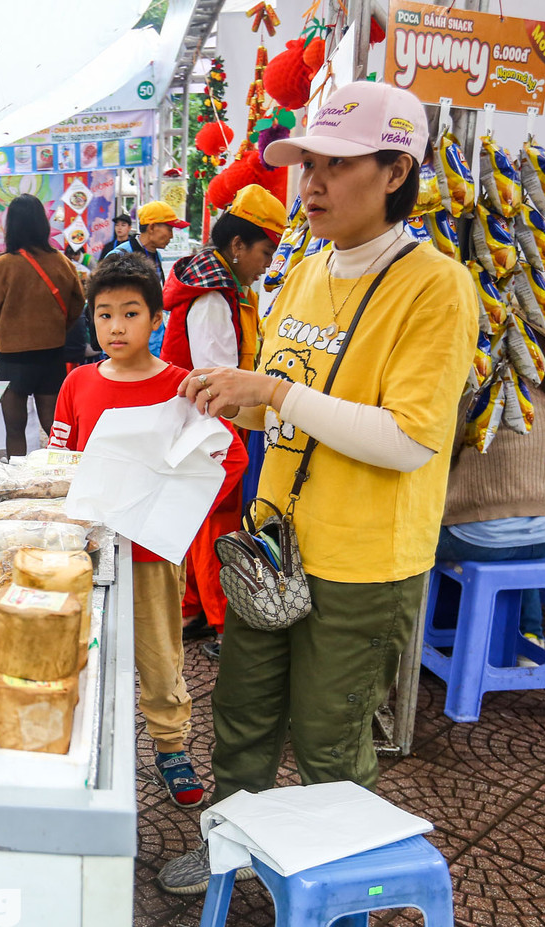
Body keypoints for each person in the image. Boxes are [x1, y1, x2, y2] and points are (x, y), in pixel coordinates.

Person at [158, 81, 477, 894]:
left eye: (336, 166)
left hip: (363, 559)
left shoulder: (435, 286)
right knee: (243, 718)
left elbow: (409, 438)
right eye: (307, 166)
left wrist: (271, 394)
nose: (312, 186)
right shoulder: (302, 269)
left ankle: (335, 891)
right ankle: (230, 851)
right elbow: (290, 402)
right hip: (273, 545)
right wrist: (228, 406)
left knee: (332, 743)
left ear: (396, 169)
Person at [49, 253, 246, 810]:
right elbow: (60, 460)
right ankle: (77, 741)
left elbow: (227, 456)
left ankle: (171, 744)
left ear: (156, 318)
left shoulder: (185, 386)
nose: (116, 326)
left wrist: (179, 514)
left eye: (131, 313)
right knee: (82, 648)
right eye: (104, 314)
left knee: (160, 653)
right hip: (87, 551)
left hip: (154, 553)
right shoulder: (78, 384)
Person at [160, 184, 286, 651]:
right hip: (208, 425)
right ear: (237, 246)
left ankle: (193, 608)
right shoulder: (213, 299)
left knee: (201, 518)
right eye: (265, 252)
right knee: (217, 521)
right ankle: (221, 623)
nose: (267, 264)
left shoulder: (217, 288)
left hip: (195, 423)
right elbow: (219, 382)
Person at [438, 320, 545, 664]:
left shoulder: (481, 392)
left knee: (410, 542)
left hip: (477, 535)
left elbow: (440, 451)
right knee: (520, 545)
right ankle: (532, 635)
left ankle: (415, 642)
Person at [0, 193, 85, 457]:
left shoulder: (1, 266)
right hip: (52, 356)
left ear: (11, 226)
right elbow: (77, 303)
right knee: (55, 429)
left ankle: (18, 482)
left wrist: (5, 339)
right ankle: (66, 477)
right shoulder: (62, 262)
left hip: (13, 360)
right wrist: (57, 330)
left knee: (15, 430)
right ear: (42, 225)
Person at [114, 201, 185, 288]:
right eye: (169, 230)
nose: (171, 236)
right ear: (151, 227)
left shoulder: (157, 255)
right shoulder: (120, 254)